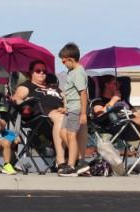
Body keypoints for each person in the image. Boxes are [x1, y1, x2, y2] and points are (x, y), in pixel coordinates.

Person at [10, 60, 67, 171]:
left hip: (62, 113)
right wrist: (25, 102)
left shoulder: (54, 87)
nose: (42, 73)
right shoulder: (27, 86)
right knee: (61, 118)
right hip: (42, 117)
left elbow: (66, 98)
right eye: (38, 71)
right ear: (31, 72)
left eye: (44, 71)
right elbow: (16, 98)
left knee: (77, 118)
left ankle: (79, 161)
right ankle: (60, 162)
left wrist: (66, 107)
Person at [56, 42, 89, 177]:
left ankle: (71, 165)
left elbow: (83, 93)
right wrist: (65, 107)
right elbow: (70, 92)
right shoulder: (71, 72)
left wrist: (83, 113)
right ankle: (80, 162)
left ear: (70, 59)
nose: (63, 63)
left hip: (76, 109)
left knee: (71, 135)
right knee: (63, 133)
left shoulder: (78, 73)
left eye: (64, 61)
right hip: (70, 109)